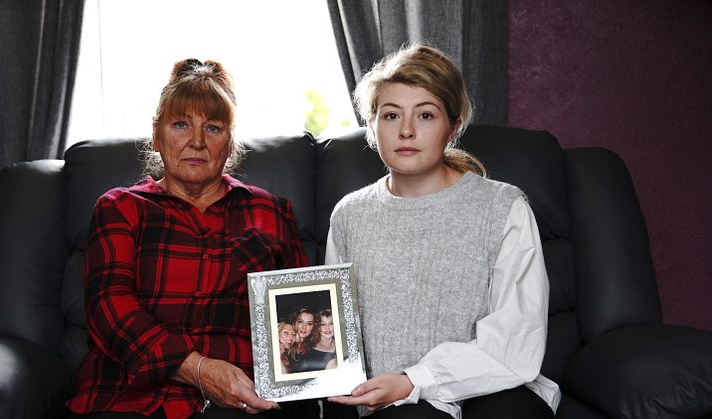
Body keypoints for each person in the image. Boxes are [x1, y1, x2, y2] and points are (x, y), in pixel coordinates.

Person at [67, 58, 317, 418]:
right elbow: (110, 308)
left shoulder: (271, 212)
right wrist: (198, 369)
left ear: (229, 144)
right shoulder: (120, 208)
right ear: (156, 135)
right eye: (181, 124)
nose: (197, 141)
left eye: (213, 128)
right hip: (128, 397)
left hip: (241, 400)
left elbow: (298, 316)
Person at [324, 44, 561, 418]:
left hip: (493, 389)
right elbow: (335, 337)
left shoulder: (504, 207)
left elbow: (516, 341)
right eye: (390, 115)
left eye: (425, 115)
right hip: (391, 402)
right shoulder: (349, 216)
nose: (405, 130)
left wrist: (416, 378)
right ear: (371, 126)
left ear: (452, 127)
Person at [287, 308, 316, 373]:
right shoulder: (285, 347)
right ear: (294, 323)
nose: (304, 327)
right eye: (300, 322)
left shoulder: (311, 348)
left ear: (313, 327)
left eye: (309, 324)